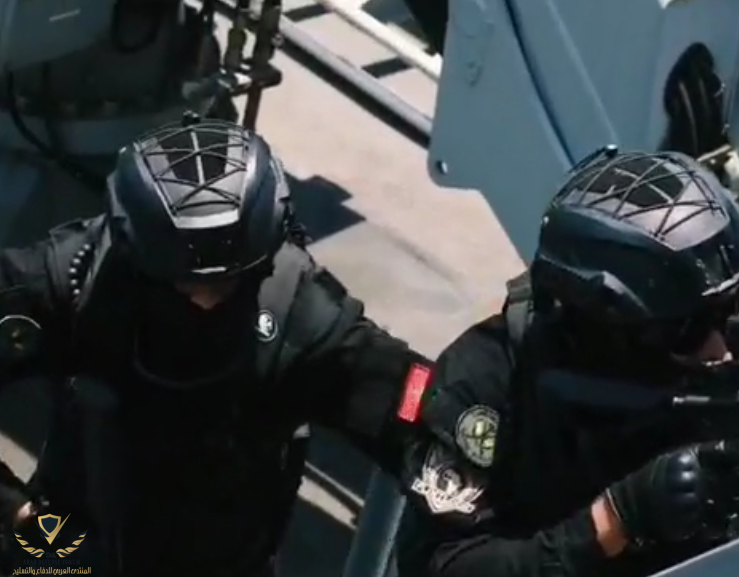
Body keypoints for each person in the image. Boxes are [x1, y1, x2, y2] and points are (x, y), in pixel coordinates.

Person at [395, 147, 739, 577]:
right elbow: (438, 566)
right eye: (690, 327)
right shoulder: (489, 382)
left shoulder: (738, 400)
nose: (722, 348)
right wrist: (615, 520)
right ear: (605, 328)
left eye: (733, 307)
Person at [0, 120, 443, 577]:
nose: (206, 302)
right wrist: (20, 516)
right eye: (184, 285)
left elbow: (428, 411)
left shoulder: (300, 315)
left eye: (227, 284)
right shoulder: (78, 282)